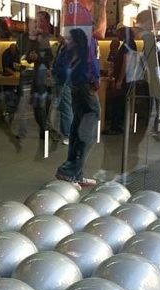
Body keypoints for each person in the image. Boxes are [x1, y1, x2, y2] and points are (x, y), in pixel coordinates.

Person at [54, 28, 100, 189]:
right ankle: (70, 171)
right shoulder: (85, 45)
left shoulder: (68, 49)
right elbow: (91, 64)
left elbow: (60, 70)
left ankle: (75, 172)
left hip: (76, 87)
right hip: (85, 88)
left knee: (78, 127)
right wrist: (94, 78)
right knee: (87, 133)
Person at [104, 23, 137, 135]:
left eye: (117, 32)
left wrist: (120, 79)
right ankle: (117, 124)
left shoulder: (128, 44)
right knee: (119, 101)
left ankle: (116, 126)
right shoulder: (129, 44)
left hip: (124, 79)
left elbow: (126, 62)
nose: (116, 35)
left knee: (118, 102)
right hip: (126, 78)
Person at [133, 9, 160, 133]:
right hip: (145, 79)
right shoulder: (148, 37)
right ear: (149, 21)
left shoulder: (131, 33)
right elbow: (153, 63)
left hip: (132, 78)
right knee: (144, 112)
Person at [51, 35, 73, 145]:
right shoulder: (65, 49)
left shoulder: (67, 50)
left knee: (65, 108)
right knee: (65, 108)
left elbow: (65, 69)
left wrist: (55, 72)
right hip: (66, 81)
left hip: (64, 81)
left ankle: (68, 134)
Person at [26, 49, 50, 140]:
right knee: (38, 108)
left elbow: (50, 58)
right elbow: (29, 58)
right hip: (38, 82)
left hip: (45, 82)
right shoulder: (35, 45)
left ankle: (44, 129)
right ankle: (43, 128)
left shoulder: (49, 48)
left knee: (42, 108)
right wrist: (30, 56)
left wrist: (37, 58)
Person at [1, 43, 20, 123]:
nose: (14, 51)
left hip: (14, 76)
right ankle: (9, 112)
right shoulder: (6, 54)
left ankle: (11, 111)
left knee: (16, 95)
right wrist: (14, 73)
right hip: (8, 76)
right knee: (9, 94)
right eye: (13, 50)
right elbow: (6, 67)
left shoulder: (16, 52)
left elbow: (17, 62)